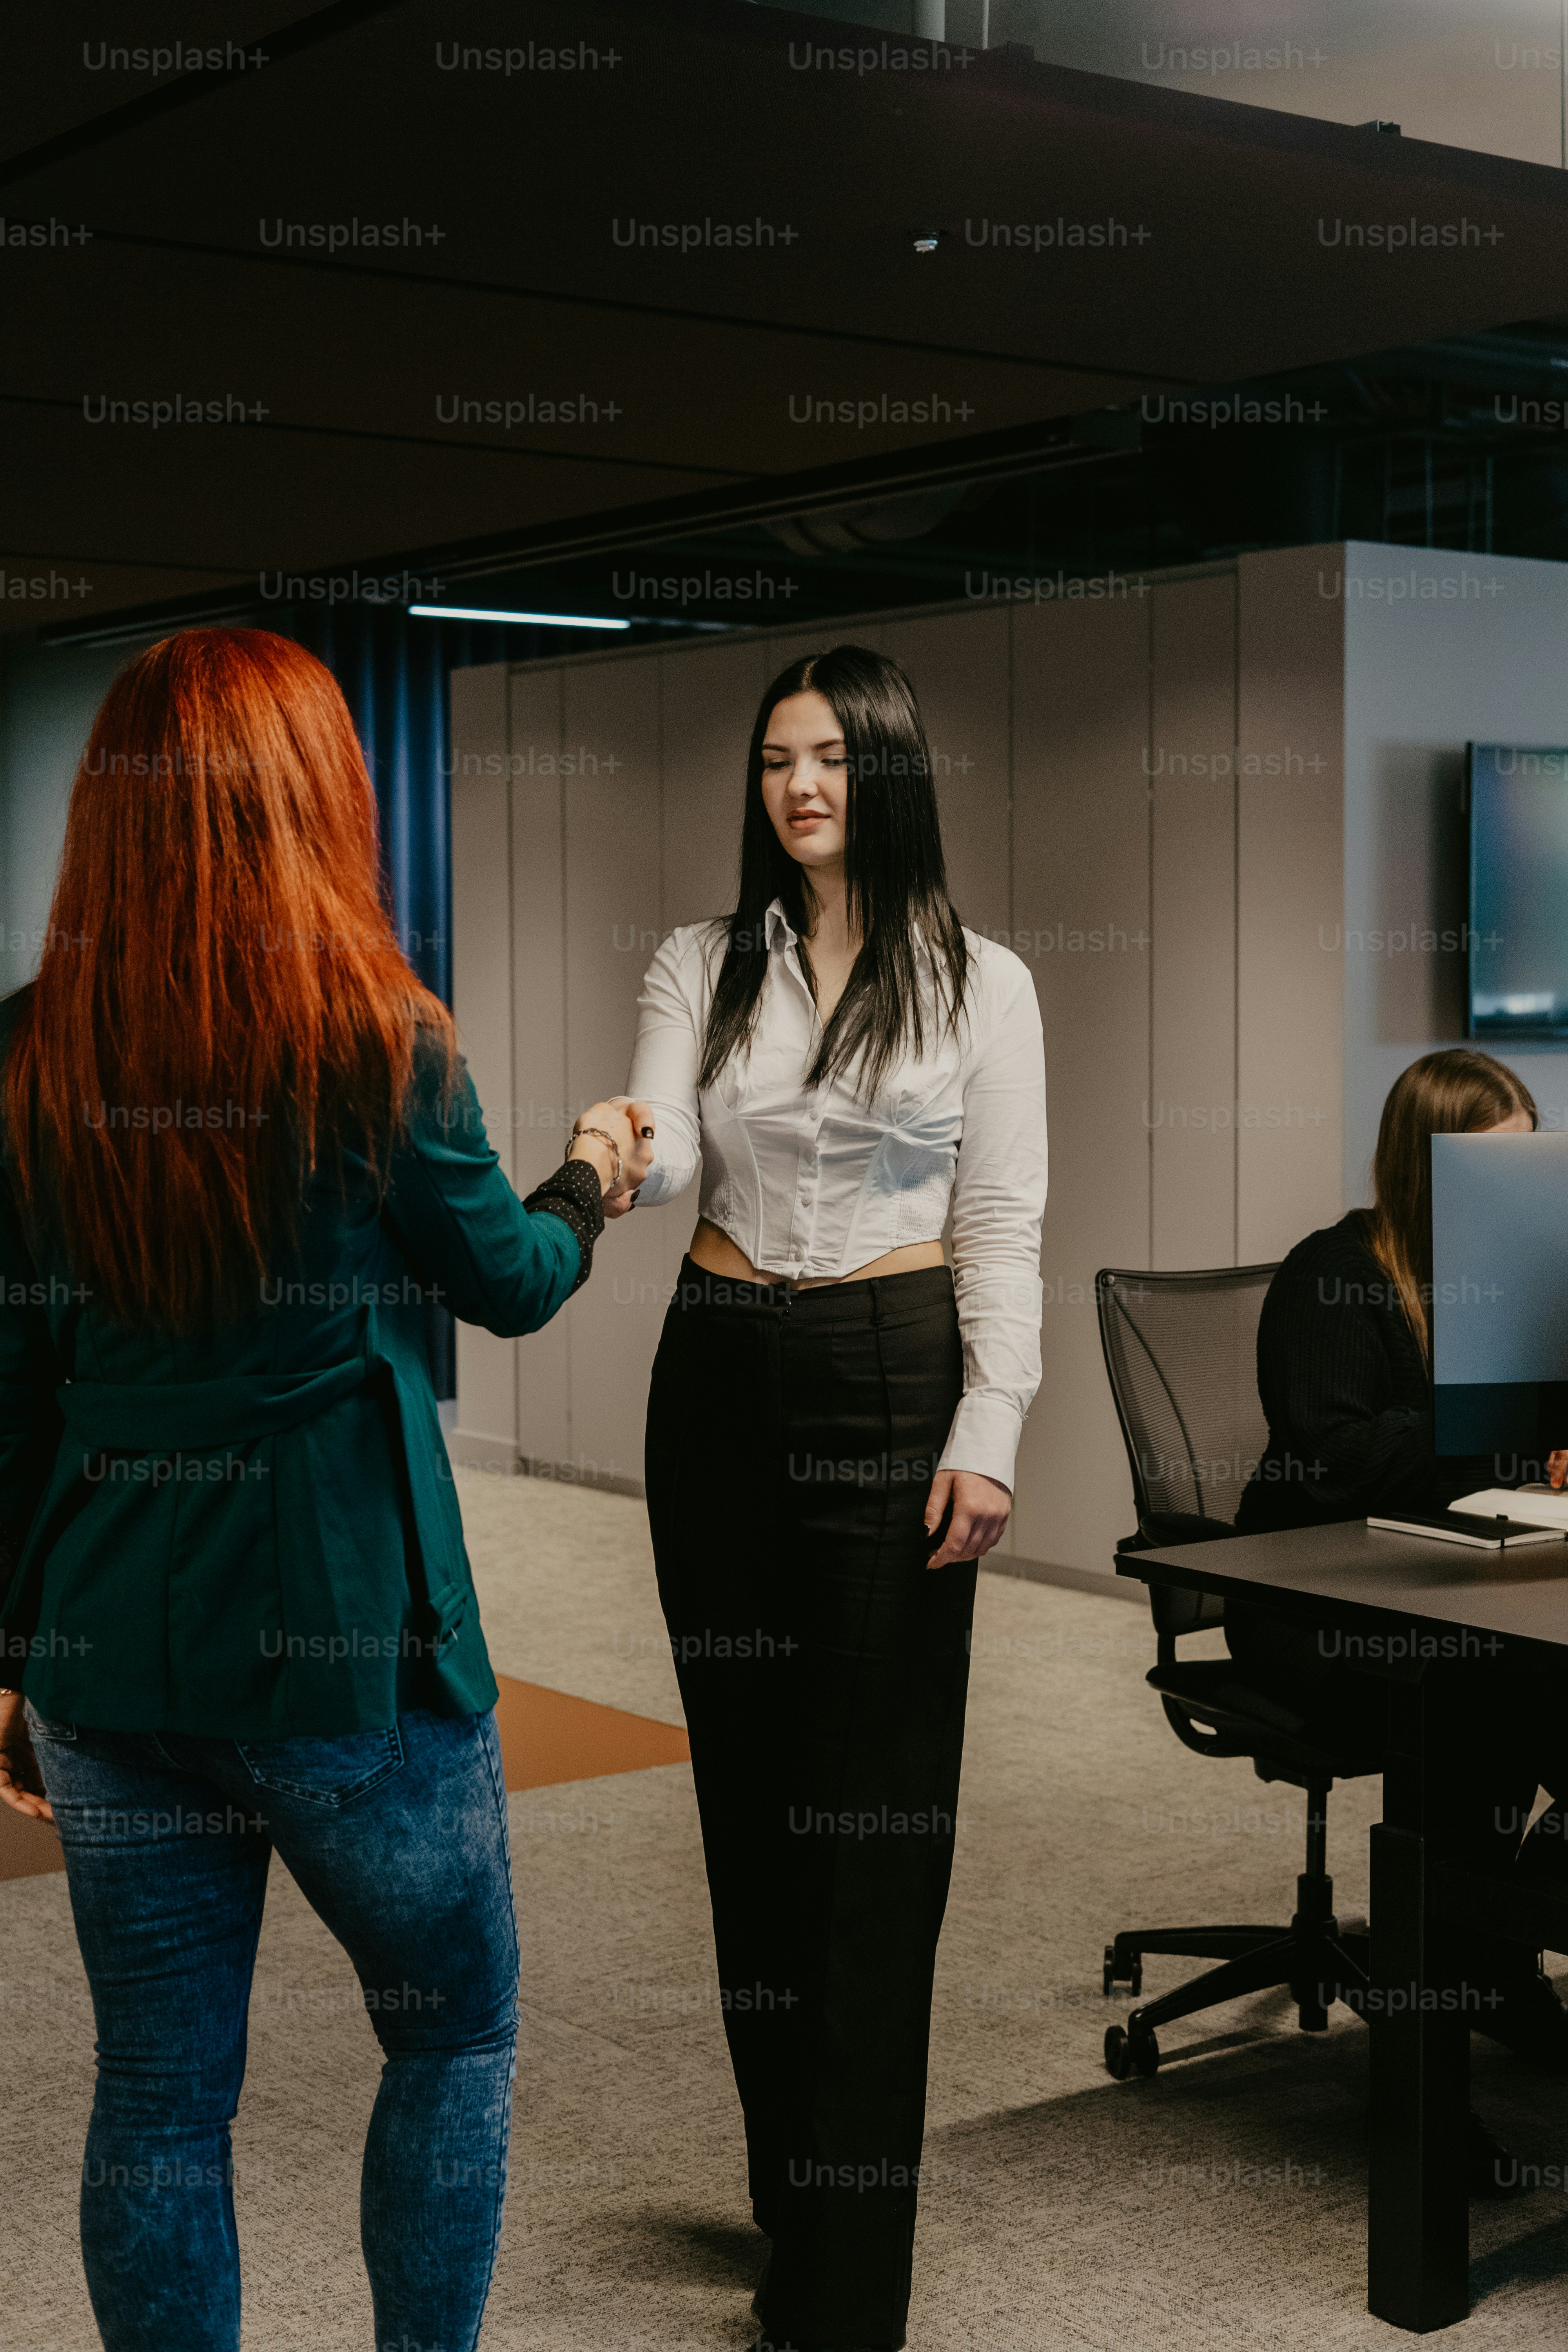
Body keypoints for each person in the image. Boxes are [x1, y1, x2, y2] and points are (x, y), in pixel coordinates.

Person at [0, 628, 652, 2352]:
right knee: (451, 2031)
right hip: (339, 1643)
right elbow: (506, 1281)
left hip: (105, 1651)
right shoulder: (375, 1038)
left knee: (157, 2092)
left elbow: (7, 1395)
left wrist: (10, 1656)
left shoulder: (31, 1053)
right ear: (312, 802)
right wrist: (591, 1181)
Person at [621, 644, 1048, 2352]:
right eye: (776, 760)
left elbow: (1000, 1221)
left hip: (892, 1374)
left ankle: (845, 2292)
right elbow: (671, 1145)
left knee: (872, 1833)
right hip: (719, 1371)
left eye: (831, 758)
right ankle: (796, 2198)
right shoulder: (700, 961)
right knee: (750, 1815)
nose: (800, 787)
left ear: (889, 773)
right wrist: (618, 1151)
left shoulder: (983, 983)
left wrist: (990, 1423)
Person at [1230, 1047, 1568, 2134]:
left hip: (1463, 1579)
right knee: (1488, 1698)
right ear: (1427, 1167)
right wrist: (1484, 1420)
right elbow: (1335, 1458)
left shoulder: (1510, 1282)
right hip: (1315, 1608)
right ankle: (1440, 2056)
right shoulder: (1333, 1275)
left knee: (1528, 1680)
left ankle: (1495, 1954)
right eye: (1492, 1166)